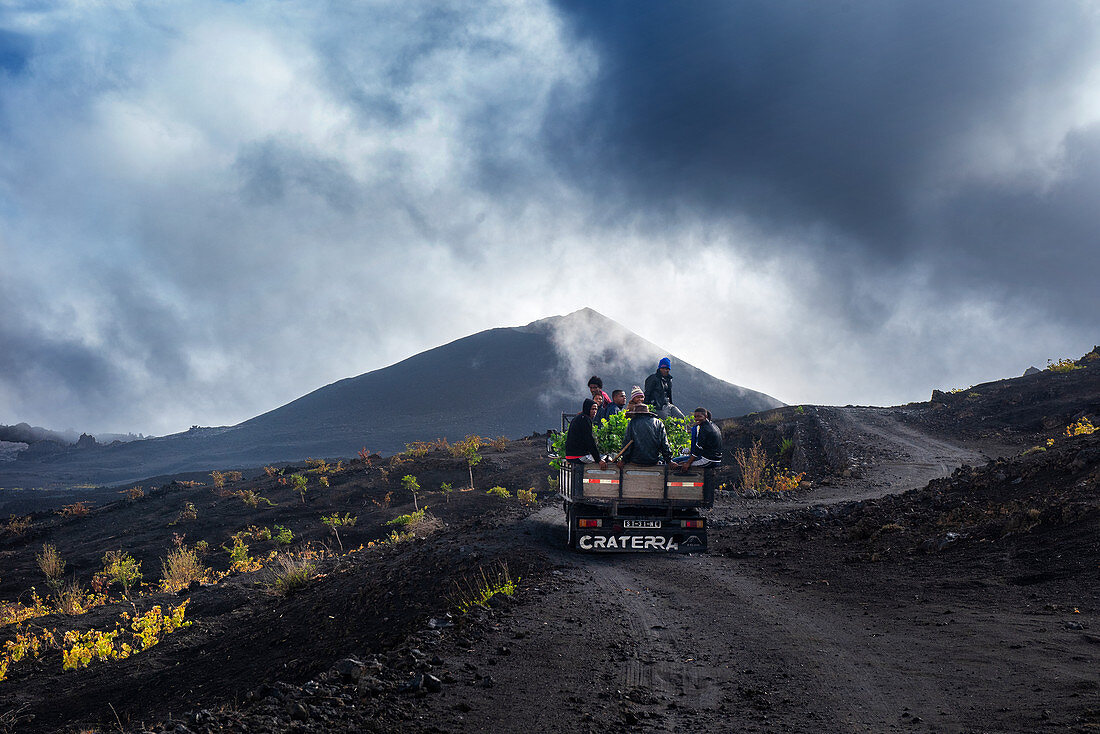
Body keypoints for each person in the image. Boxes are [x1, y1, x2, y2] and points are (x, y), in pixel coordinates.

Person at [672, 407, 723, 472]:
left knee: (676, 464)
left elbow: (698, 448)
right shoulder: (713, 426)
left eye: (699, 416)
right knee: (677, 460)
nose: (696, 419)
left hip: (708, 460)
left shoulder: (704, 429)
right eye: (695, 417)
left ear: (706, 416)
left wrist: (688, 463)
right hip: (715, 459)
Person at [564, 399, 607, 468]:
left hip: (571, 456)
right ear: (587, 408)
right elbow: (589, 441)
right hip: (578, 456)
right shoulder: (585, 419)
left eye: (596, 409)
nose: (594, 412)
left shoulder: (579, 418)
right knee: (606, 458)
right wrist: (598, 460)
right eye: (592, 409)